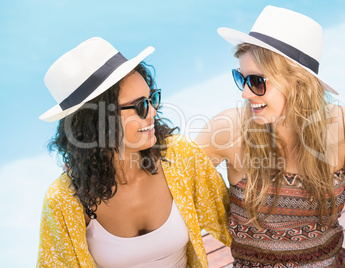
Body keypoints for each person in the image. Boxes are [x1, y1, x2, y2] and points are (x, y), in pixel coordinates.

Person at [196, 6, 345, 267]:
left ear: (297, 82)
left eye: (257, 82)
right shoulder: (228, 131)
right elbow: (173, 184)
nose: (245, 94)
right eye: (241, 78)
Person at [37, 37, 231, 268]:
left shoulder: (179, 156)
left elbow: (229, 220)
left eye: (152, 99)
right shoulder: (64, 201)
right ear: (97, 120)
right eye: (140, 106)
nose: (152, 113)